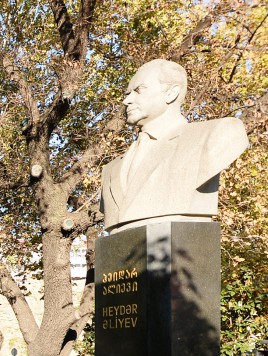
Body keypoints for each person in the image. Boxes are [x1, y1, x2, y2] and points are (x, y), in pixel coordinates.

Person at [100, 59, 249, 234]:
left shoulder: (217, 134)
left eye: (138, 90)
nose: (127, 101)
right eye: (127, 93)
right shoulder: (111, 170)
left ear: (171, 93)